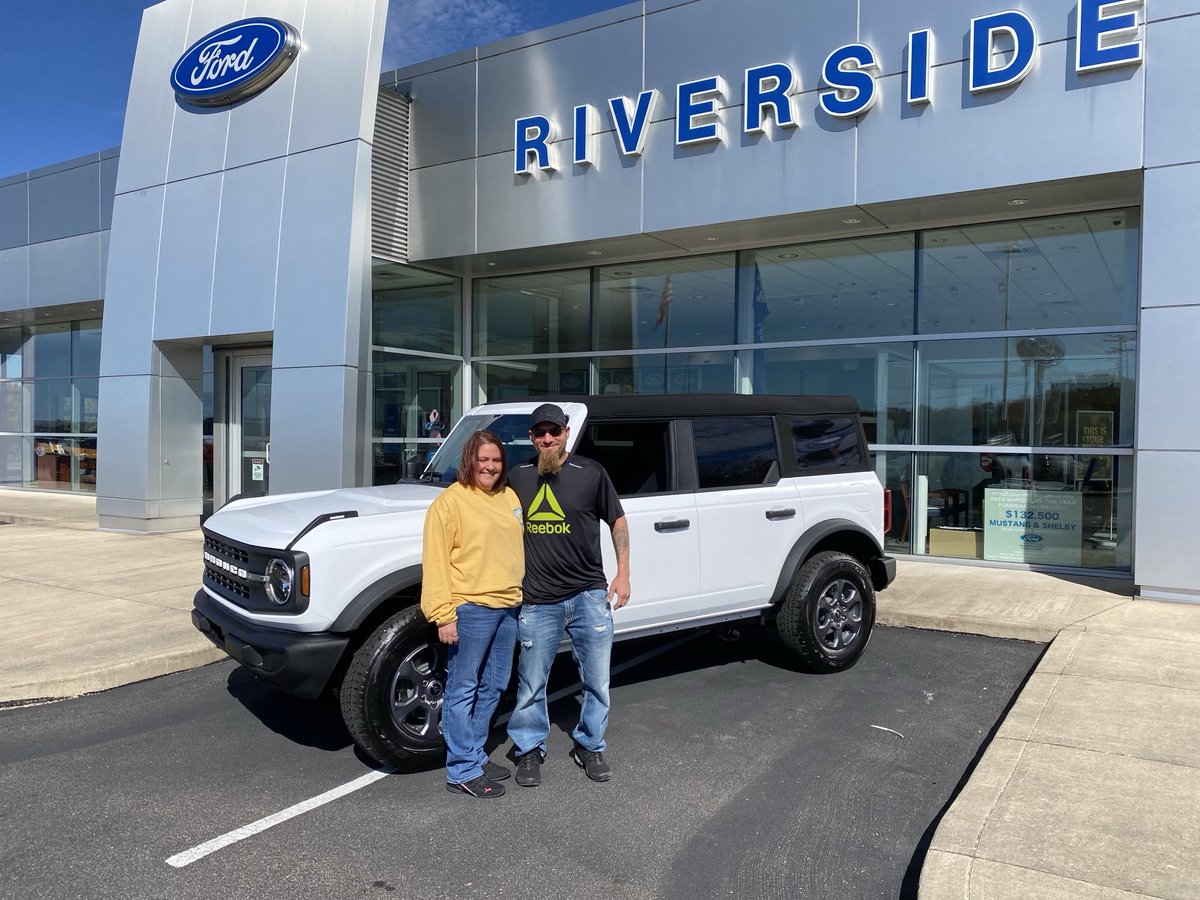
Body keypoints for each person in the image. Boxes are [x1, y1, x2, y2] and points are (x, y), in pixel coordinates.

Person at [507, 403, 631, 786]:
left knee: (597, 681)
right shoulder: (517, 476)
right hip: (538, 598)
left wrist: (623, 574)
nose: (547, 439)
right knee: (531, 683)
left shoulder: (591, 473)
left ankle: (590, 744)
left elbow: (618, 520)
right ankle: (528, 749)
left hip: (589, 595)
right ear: (531, 437)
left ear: (566, 433)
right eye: (540, 433)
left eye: (554, 432)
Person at [420, 430, 524, 799]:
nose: (491, 467)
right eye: (484, 460)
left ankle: (475, 756)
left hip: (508, 606)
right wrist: (443, 615)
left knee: (495, 684)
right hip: (471, 607)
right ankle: (461, 769)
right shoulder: (451, 503)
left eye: (496, 460)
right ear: (470, 461)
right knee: (463, 688)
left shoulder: (509, 497)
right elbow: (435, 563)